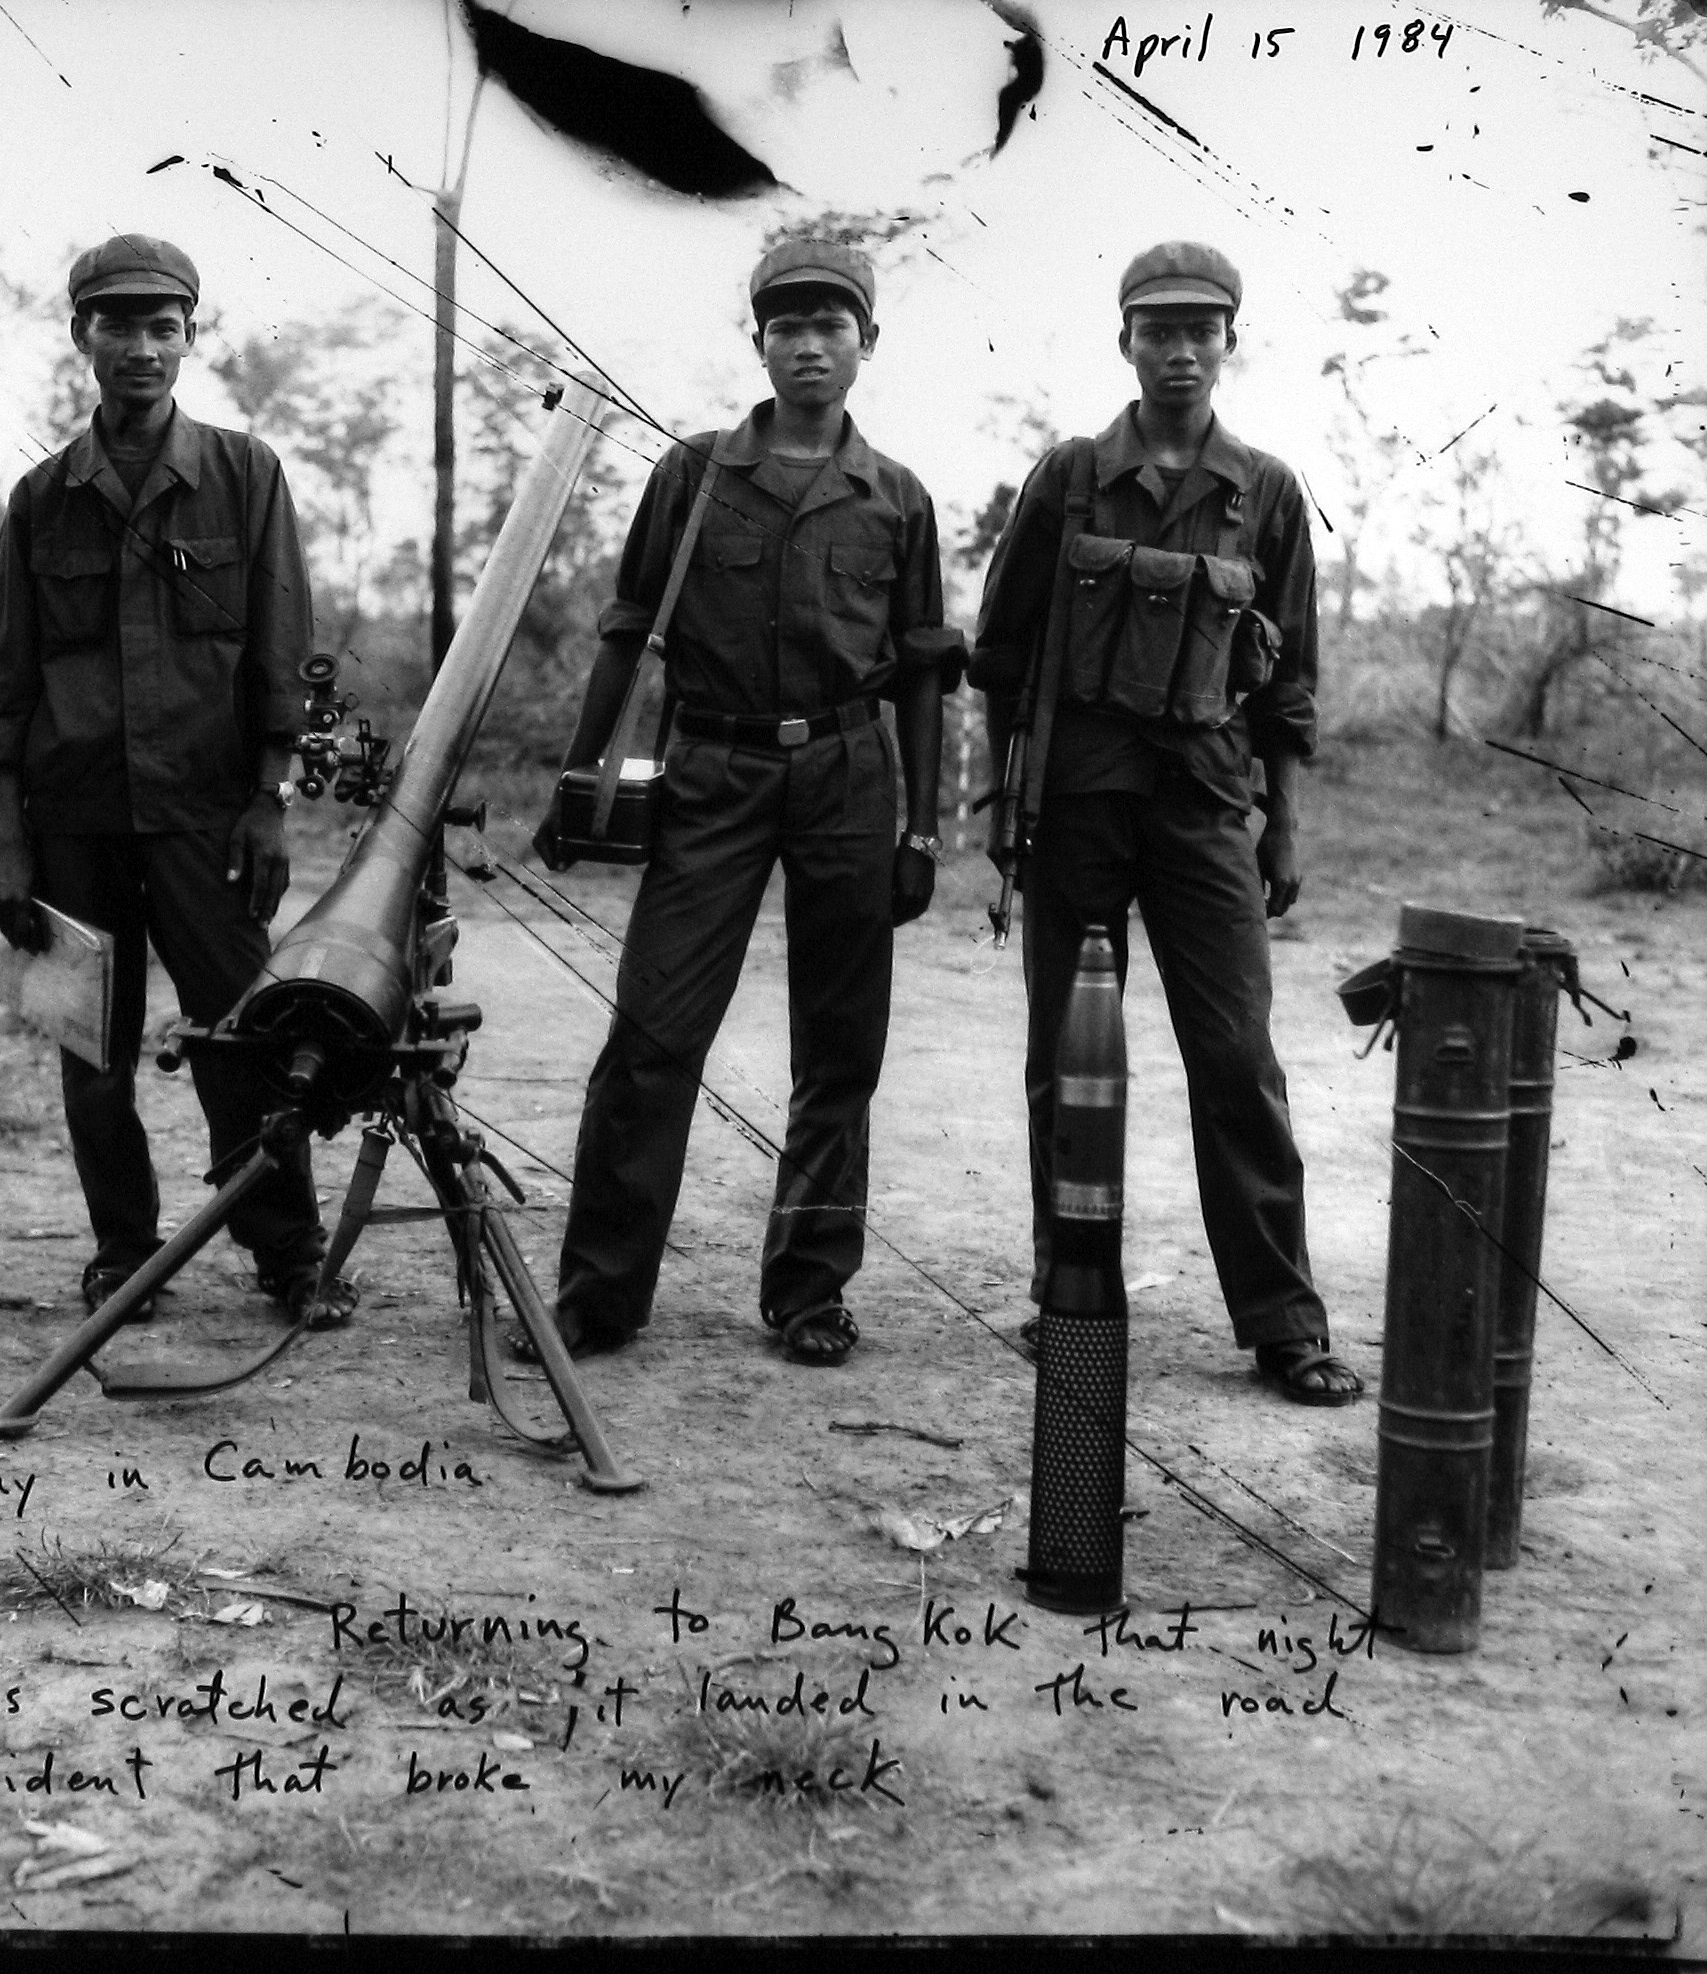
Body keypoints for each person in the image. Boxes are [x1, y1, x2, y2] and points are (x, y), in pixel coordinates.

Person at [531, 236, 960, 1369]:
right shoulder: (693, 473)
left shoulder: (898, 498)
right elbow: (631, 631)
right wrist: (581, 777)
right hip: (710, 772)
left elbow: (922, 668)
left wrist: (921, 828)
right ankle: (599, 1297)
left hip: (849, 778)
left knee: (839, 1049)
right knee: (652, 1036)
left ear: (868, 343)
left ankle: (810, 1292)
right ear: (758, 342)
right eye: (787, 326)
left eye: (832, 326)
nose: (809, 346)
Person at [971, 240, 1361, 1404]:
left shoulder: (1269, 491)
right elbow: (1000, 652)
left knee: (1238, 1060)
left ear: (1228, 342)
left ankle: (1284, 1322)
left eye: (1201, 330)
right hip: (1078, 807)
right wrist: (1002, 801)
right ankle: (1069, 1293)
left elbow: (1289, 685)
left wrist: (1281, 826)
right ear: (1126, 341)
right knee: (1069, 1062)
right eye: (1158, 330)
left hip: (1203, 812)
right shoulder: (1072, 476)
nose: (1180, 351)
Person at [0, 235, 345, 1328]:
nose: (141, 347)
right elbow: (6, 679)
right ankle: (125, 1256)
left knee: (243, 1044)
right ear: (81, 334)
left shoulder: (243, 475)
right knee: (95, 1053)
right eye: (118, 325)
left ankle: (289, 1256)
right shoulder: (42, 500)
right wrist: (6, 840)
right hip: (73, 818)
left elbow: (281, 651)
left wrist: (268, 802)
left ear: (191, 336)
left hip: (204, 816)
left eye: (163, 326)